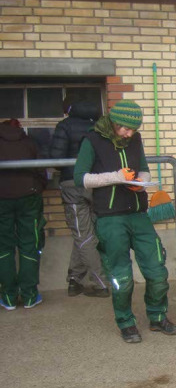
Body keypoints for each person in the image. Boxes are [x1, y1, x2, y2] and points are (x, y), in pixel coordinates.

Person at [73, 99, 176, 343]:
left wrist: (140, 182)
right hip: (110, 219)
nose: (129, 134)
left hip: (139, 215)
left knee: (157, 271)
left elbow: (143, 168)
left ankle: (157, 317)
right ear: (114, 123)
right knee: (122, 277)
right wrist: (117, 177)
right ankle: (126, 323)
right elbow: (81, 178)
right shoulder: (92, 140)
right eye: (126, 128)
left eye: (133, 129)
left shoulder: (135, 139)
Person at [49, 98, 110, 298]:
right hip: (96, 184)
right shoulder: (99, 127)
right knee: (85, 234)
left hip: (72, 184)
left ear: (68, 110)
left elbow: (56, 159)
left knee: (83, 236)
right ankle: (75, 279)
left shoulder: (65, 126)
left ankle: (100, 283)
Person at [0, 119, 47, 310]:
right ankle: (29, 296)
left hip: (1, 199)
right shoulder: (29, 142)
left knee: (4, 247)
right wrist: (37, 188)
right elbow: (42, 170)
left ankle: (8, 297)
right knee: (30, 244)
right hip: (29, 197)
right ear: (19, 128)